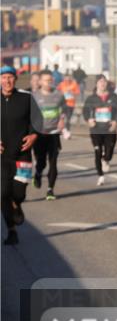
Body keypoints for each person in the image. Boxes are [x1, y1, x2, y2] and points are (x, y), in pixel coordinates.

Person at [1, 66, 40, 245]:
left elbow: (38, 121)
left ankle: (17, 204)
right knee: (2, 194)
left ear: (15, 79)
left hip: (22, 155)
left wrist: (33, 135)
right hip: (1, 158)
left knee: (18, 194)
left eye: (10, 77)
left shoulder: (26, 98)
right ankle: (11, 231)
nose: (7, 81)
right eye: (3, 77)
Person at [31, 70, 70, 200]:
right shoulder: (34, 96)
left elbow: (64, 109)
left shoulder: (58, 95)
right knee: (41, 162)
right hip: (40, 134)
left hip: (54, 133)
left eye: (50, 80)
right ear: (40, 81)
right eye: (46, 80)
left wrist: (62, 119)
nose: (48, 82)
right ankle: (37, 173)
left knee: (53, 162)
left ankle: (50, 190)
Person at [82, 75, 117, 186]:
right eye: (100, 81)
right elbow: (85, 111)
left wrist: (116, 121)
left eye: (104, 81)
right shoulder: (91, 99)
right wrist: (88, 120)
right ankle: (100, 176)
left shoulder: (114, 97)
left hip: (110, 129)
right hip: (96, 130)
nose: (102, 83)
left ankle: (106, 159)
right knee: (97, 152)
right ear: (96, 84)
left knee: (109, 153)